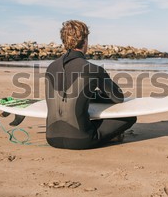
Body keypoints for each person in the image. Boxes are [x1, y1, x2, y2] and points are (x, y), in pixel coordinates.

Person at [45, 20, 137, 149]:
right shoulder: (92, 69)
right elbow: (117, 97)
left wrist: (89, 94)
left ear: (64, 41)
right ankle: (112, 137)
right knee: (129, 117)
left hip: (51, 138)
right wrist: (96, 95)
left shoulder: (51, 67)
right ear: (85, 40)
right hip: (81, 140)